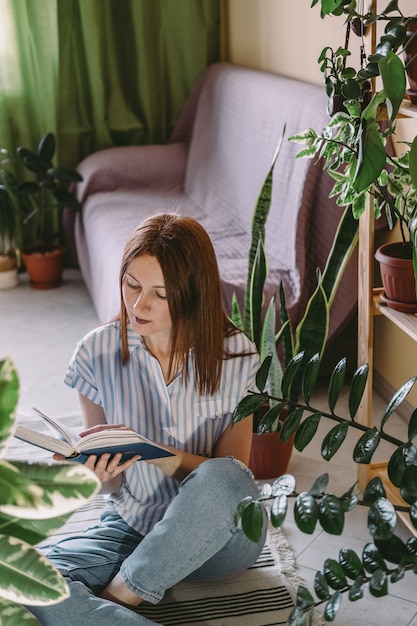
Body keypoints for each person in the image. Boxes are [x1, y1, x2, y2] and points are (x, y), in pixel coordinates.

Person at [28, 212, 267, 626]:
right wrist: (99, 473)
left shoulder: (236, 355)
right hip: (131, 526)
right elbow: (113, 487)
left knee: (226, 477)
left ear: (192, 293)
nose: (139, 304)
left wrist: (152, 452)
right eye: (132, 284)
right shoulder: (95, 353)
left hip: (219, 539)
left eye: (160, 293)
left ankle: (124, 592)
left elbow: (232, 482)